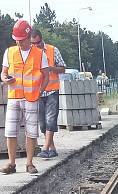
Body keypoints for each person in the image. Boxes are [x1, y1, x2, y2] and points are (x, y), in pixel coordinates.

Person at [0, 20, 48, 174]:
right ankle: (11, 163)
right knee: (10, 131)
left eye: (21, 40)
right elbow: (3, 72)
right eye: (16, 40)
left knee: (31, 132)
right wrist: (5, 79)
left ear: (28, 38)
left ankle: (29, 163)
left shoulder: (40, 54)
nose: (18, 43)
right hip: (14, 96)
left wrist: (40, 91)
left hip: (32, 98)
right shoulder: (9, 52)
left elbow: (46, 76)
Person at [30, 29, 66, 159]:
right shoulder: (30, 53)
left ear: (41, 39)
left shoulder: (52, 50)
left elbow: (62, 68)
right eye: (32, 43)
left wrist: (50, 68)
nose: (35, 45)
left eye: (37, 42)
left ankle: (45, 148)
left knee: (50, 119)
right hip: (37, 91)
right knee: (43, 123)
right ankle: (52, 148)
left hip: (51, 90)